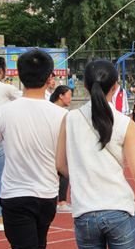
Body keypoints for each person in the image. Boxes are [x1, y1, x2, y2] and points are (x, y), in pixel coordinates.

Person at [56, 60, 135, 248]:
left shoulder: (70, 118)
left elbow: (60, 164)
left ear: (85, 86)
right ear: (116, 87)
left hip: (84, 211)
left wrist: (83, 176)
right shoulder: (125, 123)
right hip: (119, 208)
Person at [0, 50, 67, 247]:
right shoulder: (61, 115)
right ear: (50, 78)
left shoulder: (3, 112)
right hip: (47, 196)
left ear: (19, 74)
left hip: (17, 197)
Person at [0, 56, 21, 232]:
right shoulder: (5, 88)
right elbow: (25, 100)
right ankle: (1, 219)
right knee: (2, 179)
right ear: (1, 71)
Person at [49, 85, 73, 214]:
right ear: (61, 96)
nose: (71, 99)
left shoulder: (46, 108)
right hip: (58, 147)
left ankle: (54, 201)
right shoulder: (64, 114)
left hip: (46, 147)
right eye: (69, 96)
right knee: (64, 172)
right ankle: (61, 202)